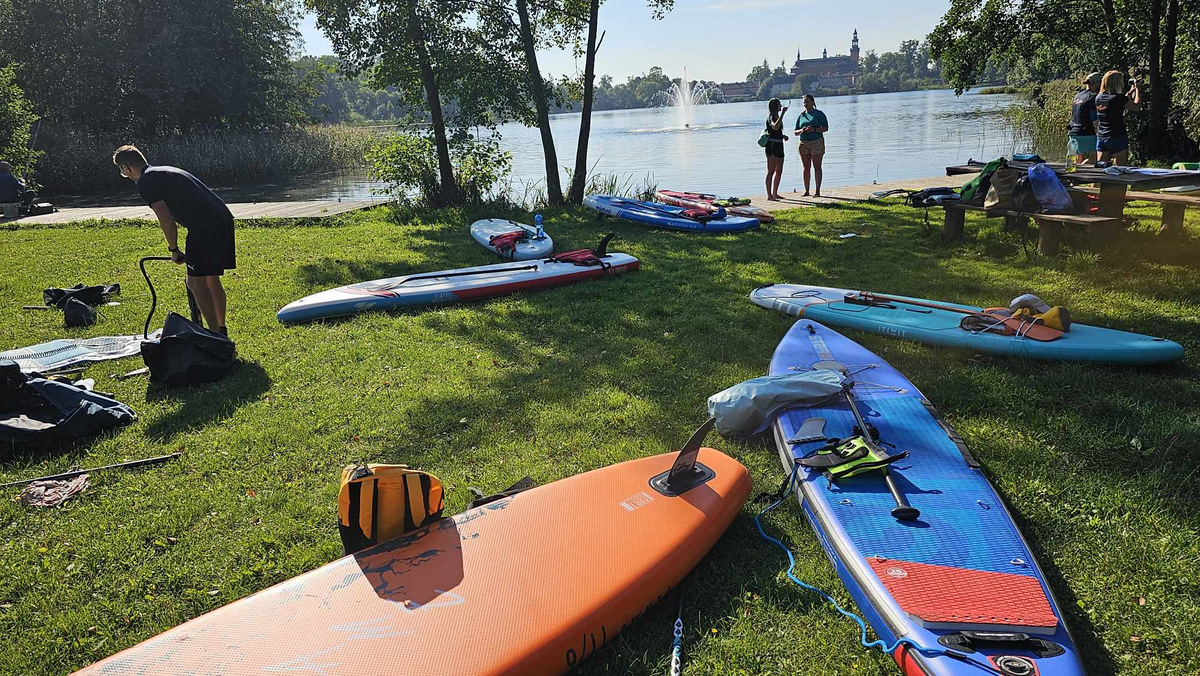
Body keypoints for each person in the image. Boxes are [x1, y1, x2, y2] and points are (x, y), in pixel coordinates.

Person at [112, 145, 235, 336]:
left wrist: (174, 250)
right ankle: (221, 329)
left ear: (127, 168)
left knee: (195, 283)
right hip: (223, 219)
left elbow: (167, 221)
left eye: (122, 171)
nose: (124, 175)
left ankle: (214, 336)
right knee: (211, 278)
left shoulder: (146, 181)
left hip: (204, 227)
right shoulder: (162, 171)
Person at [1095, 70, 1140, 166]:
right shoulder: (1119, 99)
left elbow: (1114, 103)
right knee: (1119, 170)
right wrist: (1138, 90)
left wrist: (1127, 96)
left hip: (1102, 137)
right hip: (1117, 137)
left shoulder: (1098, 98)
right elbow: (1136, 106)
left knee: (1101, 171)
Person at [794, 94, 829, 196]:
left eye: (807, 102)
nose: (805, 104)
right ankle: (807, 190)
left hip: (816, 142)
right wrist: (802, 130)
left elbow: (825, 128)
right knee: (806, 167)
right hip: (803, 143)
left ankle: (817, 191)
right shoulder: (801, 116)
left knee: (817, 167)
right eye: (804, 102)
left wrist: (813, 129)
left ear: (813, 102)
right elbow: (795, 132)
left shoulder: (819, 114)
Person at [1067, 72, 1102, 166]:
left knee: (1077, 157)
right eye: (1100, 82)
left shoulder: (1078, 96)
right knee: (1095, 156)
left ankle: (1071, 176)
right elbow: (1094, 119)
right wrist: (1100, 134)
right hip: (1085, 132)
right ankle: (1078, 172)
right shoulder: (1093, 97)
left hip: (1073, 130)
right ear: (1095, 84)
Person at [764, 98, 788, 201]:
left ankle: (775, 193)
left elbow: (777, 131)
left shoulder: (777, 116)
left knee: (779, 171)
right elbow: (775, 127)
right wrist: (783, 114)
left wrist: (783, 136)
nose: (781, 106)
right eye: (779, 104)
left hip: (779, 144)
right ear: (775, 106)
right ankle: (769, 195)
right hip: (772, 146)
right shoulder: (771, 117)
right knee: (771, 171)